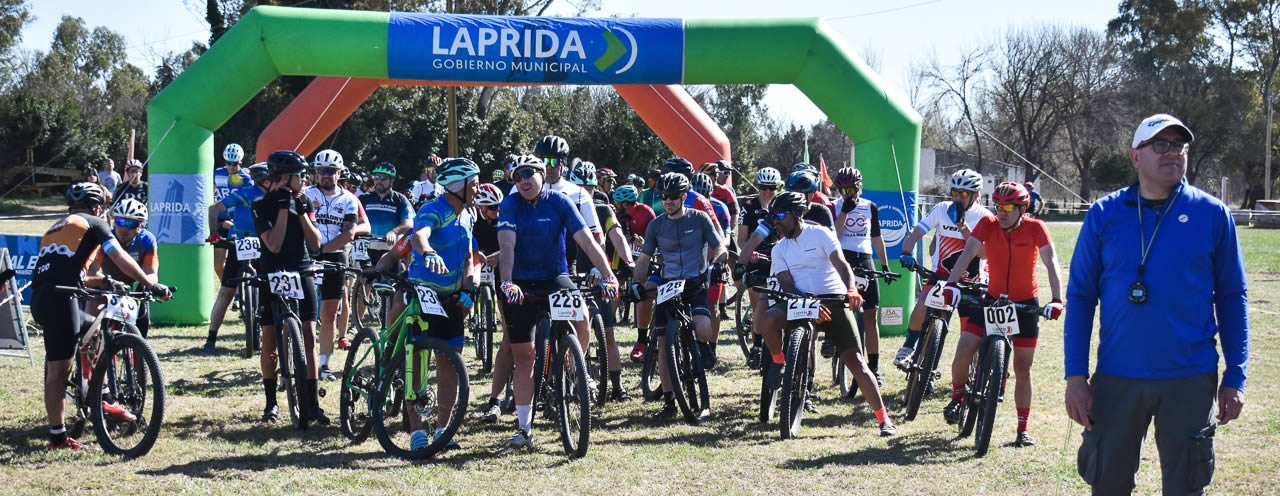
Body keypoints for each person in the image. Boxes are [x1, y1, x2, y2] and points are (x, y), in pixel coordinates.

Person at [1063, 114, 1247, 495]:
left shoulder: (1212, 215)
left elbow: (1232, 297)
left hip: (1189, 379)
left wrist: (1236, 377)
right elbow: (1081, 297)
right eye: (1159, 145)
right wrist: (1076, 376)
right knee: (1108, 484)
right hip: (1117, 377)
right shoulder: (1104, 215)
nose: (1172, 153)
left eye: (1178, 145)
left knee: (1185, 487)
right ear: (1136, 156)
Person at [30, 183, 170, 451]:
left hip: (43, 297)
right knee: (60, 370)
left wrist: (104, 280)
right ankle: (58, 439)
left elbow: (72, 271)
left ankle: (101, 394)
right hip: (61, 299)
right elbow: (121, 258)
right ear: (98, 208)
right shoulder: (94, 223)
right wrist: (151, 285)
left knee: (93, 334)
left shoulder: (56, 227)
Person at [495, 154, 619, 449]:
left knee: (582, 316)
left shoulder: (561, 202)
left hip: (555, 278)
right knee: (525, 357)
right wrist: (508, 281)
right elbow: (506, 245)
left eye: (529, 174)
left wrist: (608, 275)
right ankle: (525, 429)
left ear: (542, 174)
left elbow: (587, 241)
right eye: (518, 176)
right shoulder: (510, 204)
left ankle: (577, 367)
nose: (524, 180)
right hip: (520, 283)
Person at [757, 191, 895, 437]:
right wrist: (807, 303)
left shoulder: (821, 234)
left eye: (779, 215)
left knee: (857, 363)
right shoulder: (779, 249)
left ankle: (884, 419)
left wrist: (851, 289)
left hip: (832, 299)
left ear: (797, 214)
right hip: (800, 300)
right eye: (772, 216)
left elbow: (842, 264)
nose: (774, 221)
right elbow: (786, 283)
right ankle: (779, 364)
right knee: (768, 319)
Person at [938, 181, 1063, 447]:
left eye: (1007, 207)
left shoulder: (1035, 228)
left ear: (1022, 208)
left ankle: (1022, 429)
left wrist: (1056, 299)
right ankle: (957, 398)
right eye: (998, 206)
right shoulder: (988, 224)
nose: (1001, 212)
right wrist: (950, 284)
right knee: (963, 351)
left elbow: (1051, 262)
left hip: (1025, 304)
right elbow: (968, 251)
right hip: (992, 301)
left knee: (1023, 369)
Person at [399, 157, 481, 450]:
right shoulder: (434, 208)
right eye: (474, 183)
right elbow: (420, 235)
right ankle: (417, 431)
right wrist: (429, 252)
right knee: (418, 360)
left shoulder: (469, 215)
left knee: (449, 362)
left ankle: (443, 430)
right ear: (458, 186)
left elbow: (471, 258)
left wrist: (469, 289)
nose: (478, 188)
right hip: (424, 291)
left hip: (452, 296)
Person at [630, 173, 726, 419]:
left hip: (695, 282)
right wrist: (637, 284)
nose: (668, 201)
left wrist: (717, 265)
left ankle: (702, 349)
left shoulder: (700, 218)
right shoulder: (656, 225)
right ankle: (670, 402)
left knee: (703, 328)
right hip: (669, 283)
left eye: (673, 197)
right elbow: (644, 259)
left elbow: (719, 247)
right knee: (663, 344)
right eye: (664, 197)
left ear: (684, 196)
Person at [892, 168, 991, 370]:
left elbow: (983, 254)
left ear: (976, 196)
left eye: (963, 194)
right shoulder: (941, 209)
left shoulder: (985, 217)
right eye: (954, 193)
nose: (958, 198)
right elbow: (916, 232)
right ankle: (909, 346)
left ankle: (970, 374)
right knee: (921, 305)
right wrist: (906, 252)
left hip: (971, 283)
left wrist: (962, 226)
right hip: (942, 276)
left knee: (968, 334)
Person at [253, 150, 325, 425]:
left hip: (302, 267)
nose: (305, 180)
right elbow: (273, 244)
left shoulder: (304, 199)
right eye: (300, 176)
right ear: (285, 177)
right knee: (269, 337)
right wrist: (283, 208)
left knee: (309, 336)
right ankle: (271, 403)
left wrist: (300, 209)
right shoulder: (261, 204)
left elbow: (316, 243)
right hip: (272, 271)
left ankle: (313, 403)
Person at [567, 160, 636, 400]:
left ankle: (617, 387)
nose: (586, 193)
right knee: (567, 334)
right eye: (581, 188)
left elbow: (616, 237)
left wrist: (628, 262)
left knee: (608, 333)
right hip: (569, 275)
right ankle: (563, 382)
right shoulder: (562, 207)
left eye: (590, 188)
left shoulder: (603, 209)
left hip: (597, 274)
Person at [304, 149, 370, 380]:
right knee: (305, 311)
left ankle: (324, 364)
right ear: (315, 172)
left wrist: (323, 250)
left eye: (330, 171)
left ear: (339, 173)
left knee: (329, 313)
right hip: (307, 256)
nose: (325, 175)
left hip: (334, 256)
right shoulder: (305, 194)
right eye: (321, 170)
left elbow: (349, 233)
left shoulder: (349, 200)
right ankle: (303, 358)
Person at [832, 167, 893, 383]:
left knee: (870, 313)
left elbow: (877, 238)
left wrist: (884, 265)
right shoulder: (836, 206)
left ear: (860, 187)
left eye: (852, 189)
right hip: (843, 255)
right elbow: (833, 236)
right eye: (843, 190)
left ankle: (874, 367)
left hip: (865, 256)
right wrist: (844, 213)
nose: (848, 193)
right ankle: (832, 341)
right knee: (838, 306)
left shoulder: (870, 207)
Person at [204, 163, 271, 351]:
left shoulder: (262, 195)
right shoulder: (251, 193)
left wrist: (214, 234)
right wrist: (215, 233)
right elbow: (214, 208)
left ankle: (212, 338)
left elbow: (213, 208)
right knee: (229, 291)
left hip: (253, 244)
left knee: (230, 291)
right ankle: (212, 336)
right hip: (249, 243)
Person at [732, 167, 782, 369]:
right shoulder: (749, 206)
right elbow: (742, 239)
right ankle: (757, 347)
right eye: (763, 187)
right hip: (756, 257)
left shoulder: (782, 204)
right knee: (758, 304)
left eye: (771, 187)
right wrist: (748, 253)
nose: (767, 191)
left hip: (779, 255)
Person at [92, 199, 160, 338]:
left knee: (144, 296)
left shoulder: (147, 240)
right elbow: (92, 271)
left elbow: (151, 273)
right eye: (120, 222)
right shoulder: (104, 238)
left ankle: (139, 350)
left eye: (131, 223)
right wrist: (104, 281)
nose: (124, 228)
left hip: (133, 285)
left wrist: (152, 286)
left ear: (140, 226)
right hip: (107, 283)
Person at [612, 185, 658, 362]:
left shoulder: (646, 212)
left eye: (617, 202)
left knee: (643, 292)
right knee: (615, 285)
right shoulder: (617, 214)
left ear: (625, 203)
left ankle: (643, 338)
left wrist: (644, 242)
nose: (615, 205)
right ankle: (608, 329)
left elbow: (655, 237)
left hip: (644, 257)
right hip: (624, 257)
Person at [213, 144, 253, 281]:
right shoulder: (217, 173)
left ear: (240, 162)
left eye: (234, 164)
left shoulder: (246, 179)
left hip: (238, 223)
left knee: (238, 264)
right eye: (228, 163)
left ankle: (237, 298)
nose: (231, 167)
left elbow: (248, 203)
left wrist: (236, 223)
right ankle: (232, 291)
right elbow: (210, 194)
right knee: (218, 266)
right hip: (220, 222)